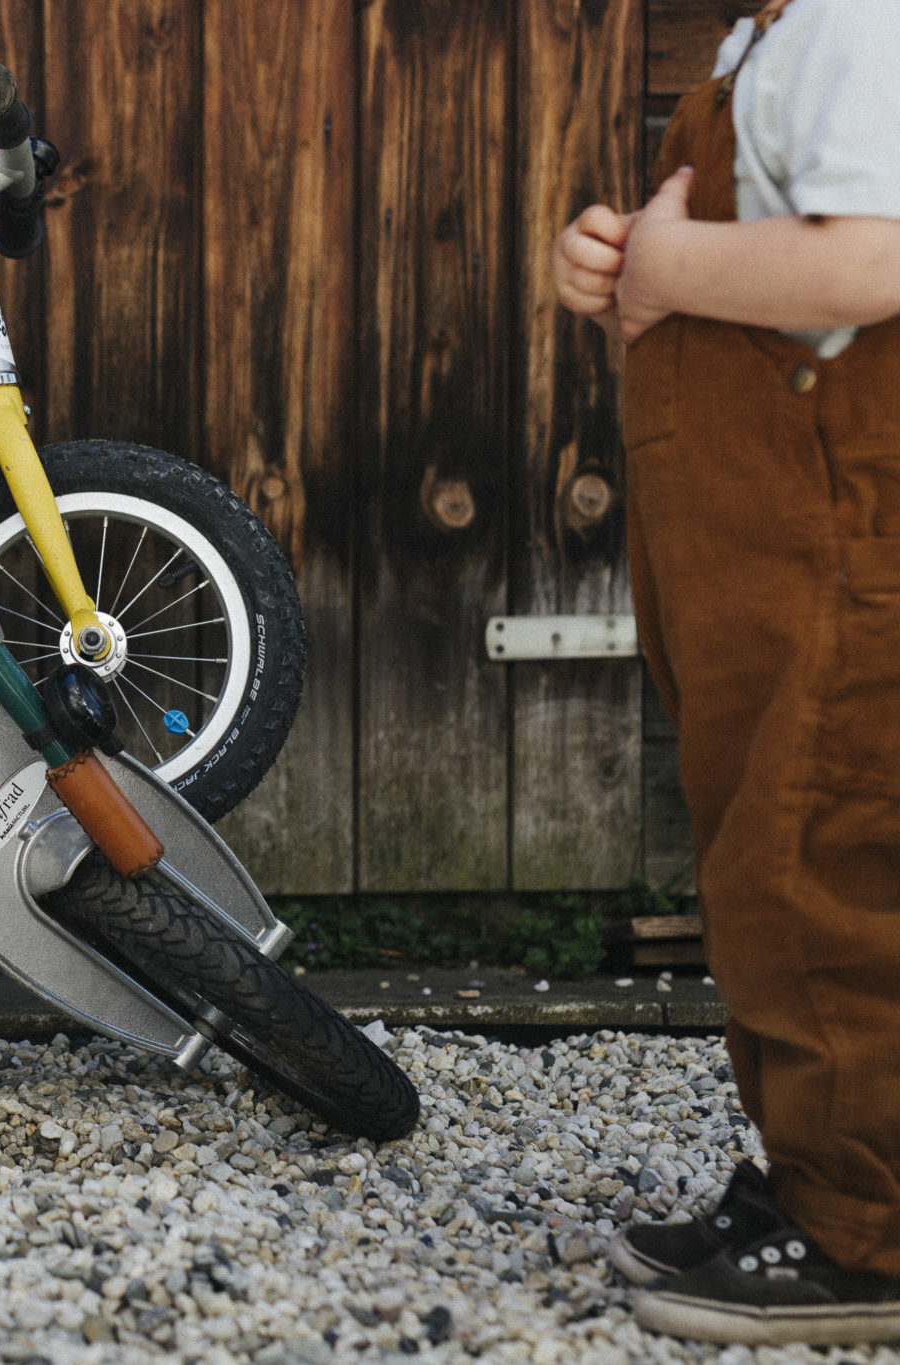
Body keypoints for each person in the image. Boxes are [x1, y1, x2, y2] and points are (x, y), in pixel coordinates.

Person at [552, 0, 900, 1346]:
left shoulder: (859, 25)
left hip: (834, 539)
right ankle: (815, 1184)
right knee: (769, 858)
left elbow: (870, 263)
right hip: (756, 545)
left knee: (827, 860)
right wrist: (628, 254)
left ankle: (865, 1235)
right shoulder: (772, 44)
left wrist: (674, 262)